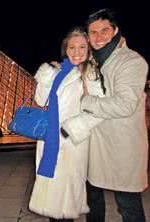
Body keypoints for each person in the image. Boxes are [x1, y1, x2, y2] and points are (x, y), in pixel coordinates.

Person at [61, 9, 149, 222]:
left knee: (128, 205)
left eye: (104, 31)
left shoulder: (131, 61)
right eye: (93, 32)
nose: (98, 37)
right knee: (94, 204)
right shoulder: (92, 61)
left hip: (121, 145)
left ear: (115, 30)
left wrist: (86, 101)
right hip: (94, 144)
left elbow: (125, 105)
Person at [28, 27, 104, 221]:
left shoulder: (91, 73)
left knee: (65, 203)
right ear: (65, 49)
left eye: (81, 47)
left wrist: (70, 129)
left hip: (71, 142)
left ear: (88, 49)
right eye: (72, 47)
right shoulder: (58, 71)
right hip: (49, 141)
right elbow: (40, 99)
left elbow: (99, 109)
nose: (76, 52)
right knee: (53, 203)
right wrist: (47, 74)